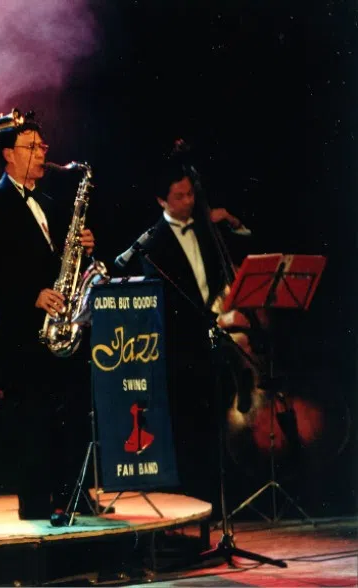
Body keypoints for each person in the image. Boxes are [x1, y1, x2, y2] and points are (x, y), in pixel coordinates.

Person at [0, 121, 96, 526]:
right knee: (32, 418)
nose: (42, 153)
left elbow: (61, 263)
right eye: (32, 147)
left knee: (68, 412)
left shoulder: (48, 202)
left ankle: (71, 494)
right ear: (8, 154)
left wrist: (81, 247)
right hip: (19, 330)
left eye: (43, 145)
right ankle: (36, 503)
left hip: (57, 325)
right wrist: (32, 295)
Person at [130, 160, 251, 505]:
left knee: (215, 422)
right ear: (161, 201)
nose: (188, 202)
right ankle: (195, 503)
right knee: (190, 429)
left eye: (189, 194)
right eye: (179, 197)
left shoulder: (206, 230)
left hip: (213, 340)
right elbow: (159, 304)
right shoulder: (151, 244)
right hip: (180, 347)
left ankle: (223, 500)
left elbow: (227, 267)